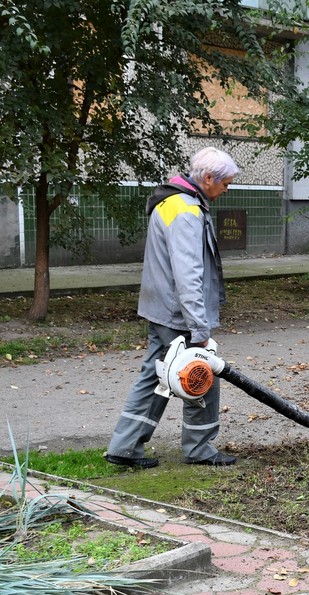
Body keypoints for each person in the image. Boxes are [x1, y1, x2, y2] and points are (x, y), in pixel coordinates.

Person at [104, 147, 240, 468]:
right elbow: (188, 275)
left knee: (155, 375)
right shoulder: (186, 212)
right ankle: (199, 448)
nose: (227, 189)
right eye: (225, 183)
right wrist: (200, 329)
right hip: (179, 315)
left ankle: (125, 446)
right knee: (199, 374)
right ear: (208, 179)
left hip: (162, 309)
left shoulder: (172, 202)